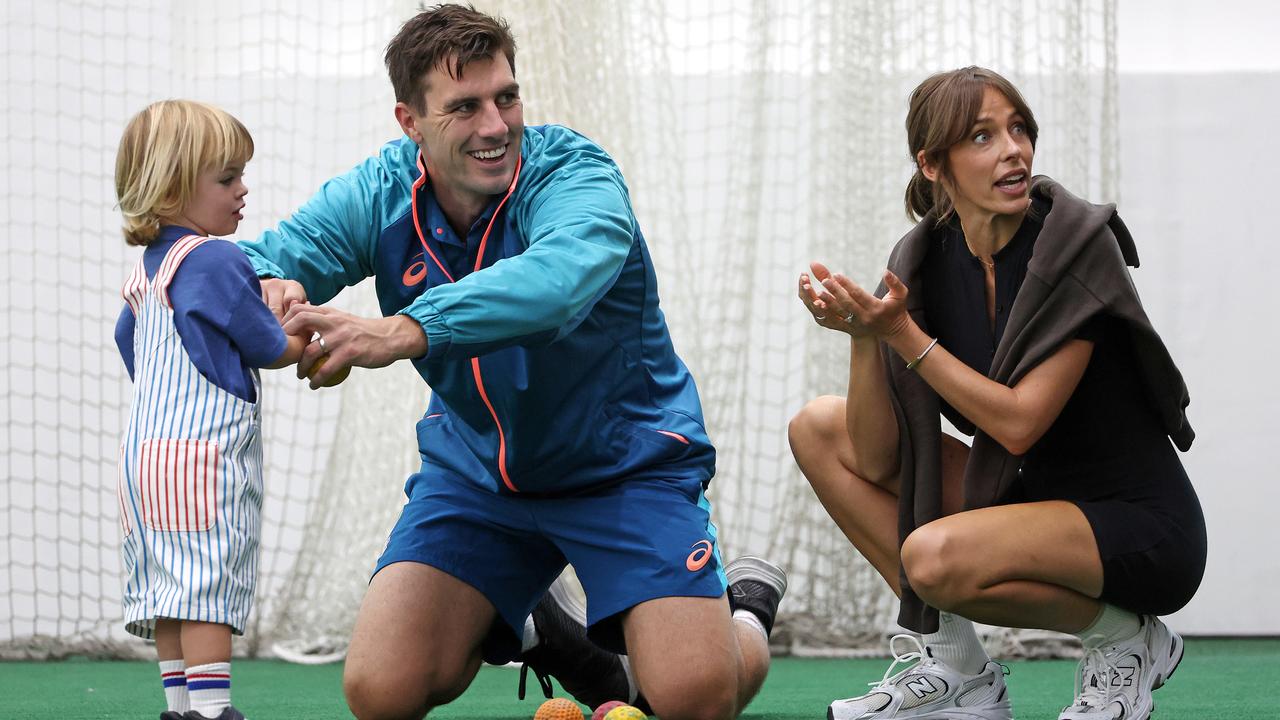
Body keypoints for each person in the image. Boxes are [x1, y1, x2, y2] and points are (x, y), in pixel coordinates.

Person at [237, 5, 786, 719]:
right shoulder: (378, 191)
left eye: (506, 97)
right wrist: (265, 288)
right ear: (411, 123)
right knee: (380, 692)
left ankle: (744, 606)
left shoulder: (577, 175)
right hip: (478, 479)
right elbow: (257, 260)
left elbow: (554, 285)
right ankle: (545, 627)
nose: (495, 126)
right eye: (464, 108)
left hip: (624, 467)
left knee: (688, 699)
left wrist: (404, 329)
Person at [790, 67, 1205, 720]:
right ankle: (956, 668)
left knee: (931, 559)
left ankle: (1127, 638)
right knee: (816, 426)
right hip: (1019, 496)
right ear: (933, 164)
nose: (1013, 149)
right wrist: (865, 337)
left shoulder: (1074, 247)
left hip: (1136, 523)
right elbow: (874, 461)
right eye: (983, 136)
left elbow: (1017, 425)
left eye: (1018, 128)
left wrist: (900, 332)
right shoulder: (921, 259)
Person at [114, 99, 307, 720]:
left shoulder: (147, 272)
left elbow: (129, 341)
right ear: (172, 188)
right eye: (227, 179)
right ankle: (214, 710)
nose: (242, 189)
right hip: (199, 459)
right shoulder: (216, 259)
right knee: (205, 591)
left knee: (169, 589)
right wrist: (306, 333)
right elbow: (271, 346)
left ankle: (179, 708)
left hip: (143, 461)